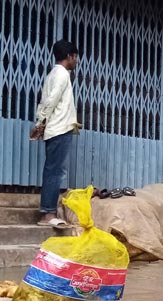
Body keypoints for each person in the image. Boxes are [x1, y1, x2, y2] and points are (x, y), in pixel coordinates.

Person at [30, 40, 80, 229]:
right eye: (75, 57)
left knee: (52, 170)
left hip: (56, 127)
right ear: (69, 57)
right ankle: (48, 214)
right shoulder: (62, 75)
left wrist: (41, 122)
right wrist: (40, 122)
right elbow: (50, 101)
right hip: (59, 128)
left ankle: (48, 212)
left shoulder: (53, 74)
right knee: (54, 171)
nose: (76, 61)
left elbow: (45, 101)